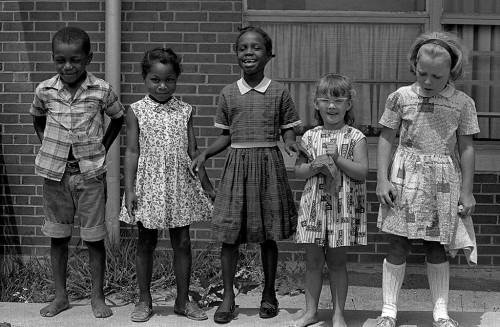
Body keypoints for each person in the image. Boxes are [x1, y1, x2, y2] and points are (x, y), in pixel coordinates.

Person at [190, 26, 310, 324]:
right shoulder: (229, 92)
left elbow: (289, 128)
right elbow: (227, 136)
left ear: (268, 55)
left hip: (269, 163)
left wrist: (291, 141)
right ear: (236, 54)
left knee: (268, 235)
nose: (248, 53)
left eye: (255, 48)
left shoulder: (280, 91)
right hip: (237, 165)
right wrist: (205, 153)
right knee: (229, 235)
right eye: (243, 48)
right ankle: (228, 299)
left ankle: (269, 293)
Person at [375, 31, 479, 327]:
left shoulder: (462, 103)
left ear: (452, 71)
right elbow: (385, 138)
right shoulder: (400, 97)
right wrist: (382, 179)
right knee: (398, 243)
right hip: (404, 177)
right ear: (414, 66)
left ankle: (441, 312)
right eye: (422, 74)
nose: (428, 81)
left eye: (436, 75)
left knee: (436, 245)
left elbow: (468, 147)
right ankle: (388, 310)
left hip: (443, 181)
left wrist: (467, 191)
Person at [30, 27, 125, 318]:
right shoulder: (45, 90)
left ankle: (98, 297)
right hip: (55, 174)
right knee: (58, 237)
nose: (67, 66)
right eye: (60, 60)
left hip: (90, 174)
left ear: (88, 58)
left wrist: (102, 147)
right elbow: (37, 119)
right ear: (53, 59)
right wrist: (51, 147)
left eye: (75, 60)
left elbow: (118, 118)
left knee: (94, 237)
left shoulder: (102, 89)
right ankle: (61, 297)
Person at [119, 47, 215, 323]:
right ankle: (144, 301)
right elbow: (132, 152)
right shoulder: (136, 110)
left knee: (182, 241)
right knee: (146, 241)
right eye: (155, 79)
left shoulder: (185, 110)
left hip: (178, 183)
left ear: (176, 79)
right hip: (148, 183)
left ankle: (183, 301)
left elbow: (193, 151)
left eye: (169, 80)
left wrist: (207, 186)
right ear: (145, 79)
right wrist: (129, 189)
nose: (162, 86)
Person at [290, 73, 368, 327]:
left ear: (348, 104)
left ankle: (338, 315)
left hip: (342, 208)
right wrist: (315, 165)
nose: (331, 106)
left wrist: (337, 159)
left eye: (338, 100)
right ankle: (310, 312)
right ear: (316, 104)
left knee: (336, 262)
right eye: (324, 100)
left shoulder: (355, 137)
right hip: (314, 206)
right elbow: (299, 171)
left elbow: (362, 172)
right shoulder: (310, 136)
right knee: (313, 262)